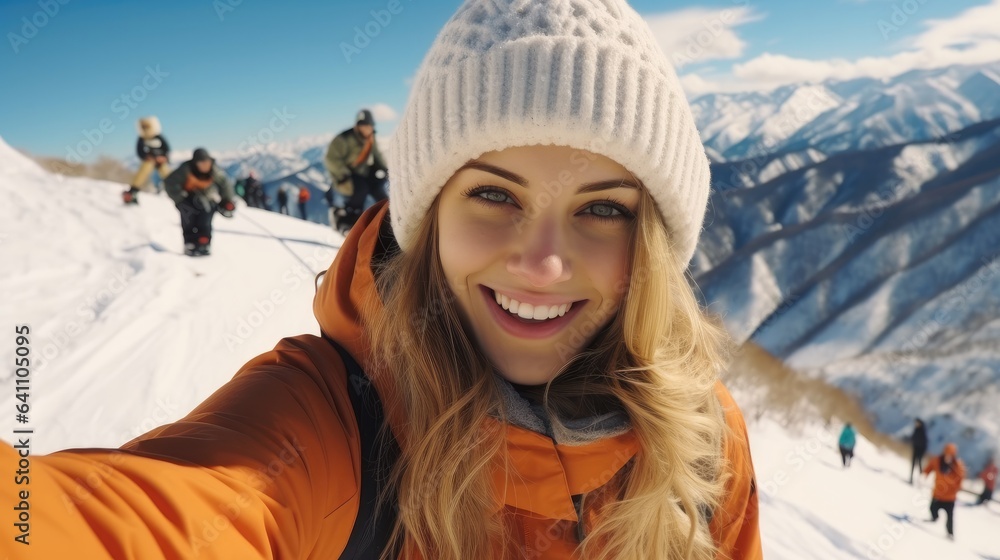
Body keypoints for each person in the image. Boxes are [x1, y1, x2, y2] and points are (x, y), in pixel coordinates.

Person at [0, 1, 762, 558]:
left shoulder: (701, 438)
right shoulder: (337, 425)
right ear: (425, 219)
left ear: (657, 243)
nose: (543, 263)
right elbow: (137, 523)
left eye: (602, 208)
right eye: (494, 194)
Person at [324, 108, 389, 233]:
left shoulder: (370, 138)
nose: (365, 129)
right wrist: (343, 174)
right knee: (361, 190)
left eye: (367, 125)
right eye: (362, 125)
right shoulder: (343, 139)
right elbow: (331, 159)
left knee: (379, 185)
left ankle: (386, 216)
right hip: (346, 175)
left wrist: (384, 170)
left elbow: (376, 155)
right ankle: (347, 222)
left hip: (363, 172)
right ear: (357, 126)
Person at [163, 147, 236, 256]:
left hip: (207, 198)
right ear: (195, 163)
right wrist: (179, 199)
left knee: (206, 217)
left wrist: (227, 201)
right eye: (201, 163)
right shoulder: (186, 169)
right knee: (188, 218)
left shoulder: (215, 170)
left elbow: (225, 185)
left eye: (207, 162)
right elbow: (170, 182)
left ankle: (204, 242)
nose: (205, 165)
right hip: (187, 198)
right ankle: (190, 243)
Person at [923, 442, 966, 539]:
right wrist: (925, 473)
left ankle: (950, 533)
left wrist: (958, 487)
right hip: (937, 493)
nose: (948, 456)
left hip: (949, 497)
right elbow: (930, 466)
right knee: (932, 508)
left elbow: (960, 477)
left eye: (950, 454)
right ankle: (934, 518)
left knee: (950, 517)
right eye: (947, 453)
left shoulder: (957, 466)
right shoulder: (937, 460)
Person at [124, 115, 171, 204]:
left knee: (167, 174)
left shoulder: (159, 136)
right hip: (149, 161)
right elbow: (140, 151)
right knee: (143, 172)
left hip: (161, 161)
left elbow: (167, 149)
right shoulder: (141, 138)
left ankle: (175, 188)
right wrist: (147, 157)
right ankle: (133, 191)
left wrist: (164, 157)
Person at [909, 418, 928, 484]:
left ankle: (921, 479)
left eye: (917, 423)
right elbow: (913, 438)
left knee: (919, 465)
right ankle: (911, 478)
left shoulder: (922, 431)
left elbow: (925, 443)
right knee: (913, 464)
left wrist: (923, 452)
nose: (916, 424)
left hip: (920, 451)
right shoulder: (916, 430)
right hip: (915, 449)